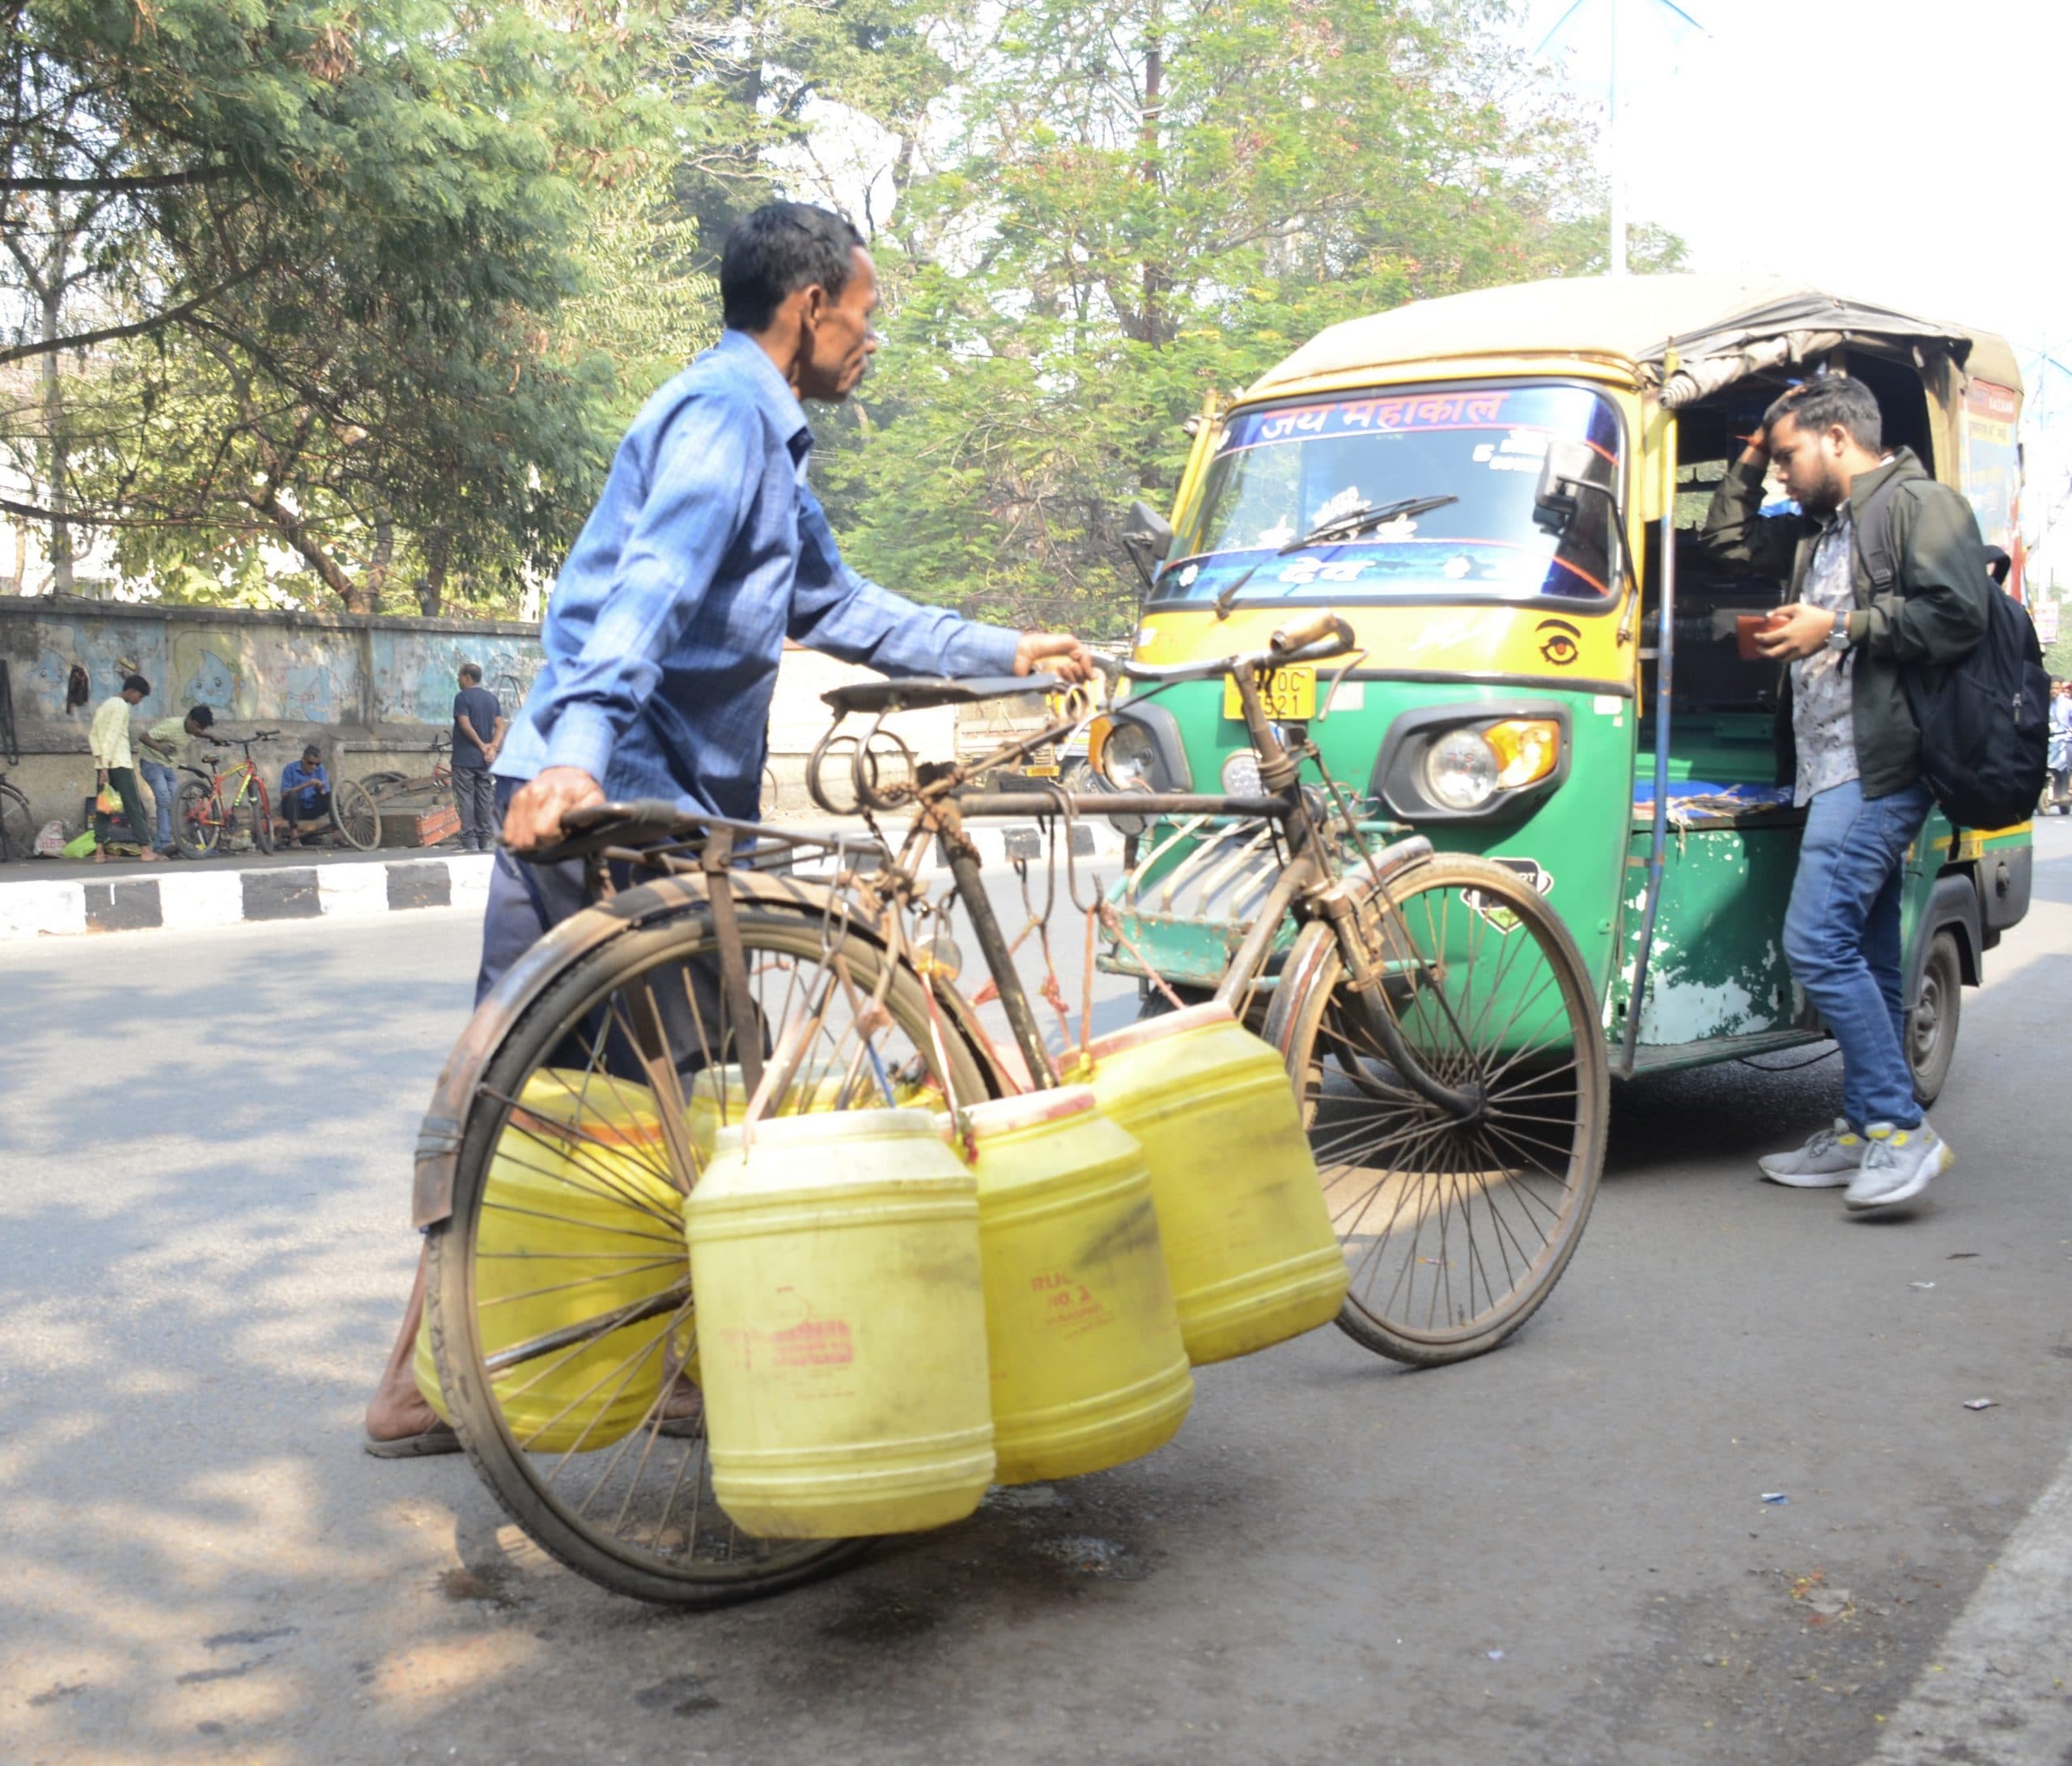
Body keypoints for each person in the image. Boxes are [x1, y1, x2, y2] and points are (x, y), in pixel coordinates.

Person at [363, 201, 1095, 1455]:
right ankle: (454, 1376)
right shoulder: (726, 417)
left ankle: (560, 1367)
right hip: (611, 809)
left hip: (646, 811)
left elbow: (841, 605)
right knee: (570, 1096)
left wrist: (1003, 649)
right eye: (864, 315)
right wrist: (580, 756)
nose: (870, 341)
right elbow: (644, 593)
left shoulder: (768, 438)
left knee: (599, 1096)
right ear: (809, 308)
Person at [1704, 376, 1991, 1213]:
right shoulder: (1818, 529)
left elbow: (1959, 617)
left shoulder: (1920, 506)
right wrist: (1752, 446)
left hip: (1881, 768)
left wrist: (1835, 627)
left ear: (1836, 438)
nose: (1780, 473)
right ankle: (1869, 1128)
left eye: (1787, 454)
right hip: (1828, 766)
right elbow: (1724, 537)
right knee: (1865, 952)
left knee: (1817, 943)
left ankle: (1900, 1131)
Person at [88, 674, 162, 864]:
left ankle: (99, 852)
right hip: (120, 764)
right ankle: (145, 850)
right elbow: (112, 736)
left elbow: (93, 735)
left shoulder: (104, 706)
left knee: (103, 808)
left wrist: (101, 764)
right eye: (140, 696)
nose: (139, 701)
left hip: (103, 765)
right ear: (132, 691)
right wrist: (107, 766)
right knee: (133, 807)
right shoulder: (121, 706)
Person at [136, 704, 214, 855]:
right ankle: (162, 844)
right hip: (151, 763)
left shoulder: (191, 729)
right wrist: (160, 748)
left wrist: (211, 736)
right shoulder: (171, 726)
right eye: (197, 726)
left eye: (201, 729)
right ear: (189, 718)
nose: (198, 731)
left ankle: (170, 840)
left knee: (173, 801)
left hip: (168, 766)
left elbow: (197, 733)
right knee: (164, 799)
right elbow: (143, 736)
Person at [449, 663, 506, 852]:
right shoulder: (491, 699)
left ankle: (469, 840)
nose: (458, 679)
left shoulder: (462, 698)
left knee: (466, 797)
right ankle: (485, 840)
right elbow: (500, 726)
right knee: (484, 797)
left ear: (467, 677)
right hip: (486, 760)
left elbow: (464, 725)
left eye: (459, 675)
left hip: (464, 758)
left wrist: (482, 745)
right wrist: (493, 748)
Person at [278, 744, 331, 843]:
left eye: (317, 764)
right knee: (292, 794)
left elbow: (325, 793)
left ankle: (338, 831)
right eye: (310, 763)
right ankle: (294, 833)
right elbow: (284, 794)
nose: (314, 767)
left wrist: (319, 789)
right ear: (303, 760)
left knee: (332, 796)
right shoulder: (290, 769)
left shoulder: (320, 769)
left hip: (312, 808)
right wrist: (305, 785)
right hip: (294, 810)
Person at [2047, 679, 2072, 812]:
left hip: (2067, 740)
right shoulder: (2045, 704)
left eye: (2056, 688)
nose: (2054, 691)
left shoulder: (2068, 704)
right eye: (2051, 688)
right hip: (2051, 741)